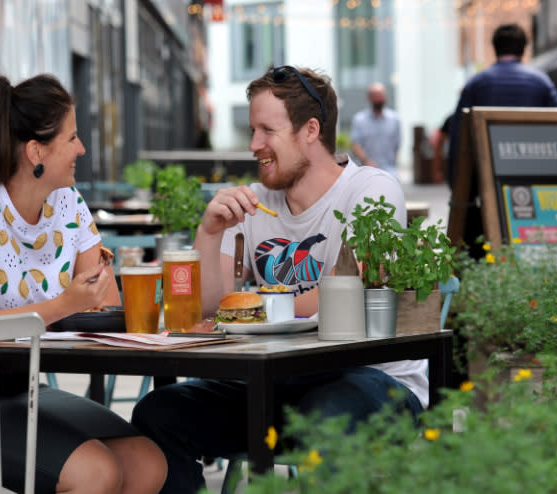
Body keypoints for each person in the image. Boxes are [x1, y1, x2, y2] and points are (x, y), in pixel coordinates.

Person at [130, 66, 425, 493]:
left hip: (373, 382)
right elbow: (210, 307)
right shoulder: (254, 202)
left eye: (267, 130)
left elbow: (342, 300)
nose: (254, 146)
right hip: (277, 383)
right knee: (160, 412)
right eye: (252, 130)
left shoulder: (371, 191)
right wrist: (209, 233)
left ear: (310, 130)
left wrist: (250, 305)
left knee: (327, 416)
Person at [0, 74, 166, 494]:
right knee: (97, 473)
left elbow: (104, 303)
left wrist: (93, 296)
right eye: (73, 137)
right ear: (35, 151)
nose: (81, 149)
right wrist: (64, 303)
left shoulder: (69, 202)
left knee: (146, 463)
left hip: (18, 387)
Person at [446, 23, 557, 186]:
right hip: (534, 173)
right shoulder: (542, 82)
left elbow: (459, 134)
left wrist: (455, 181)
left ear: (495, 48)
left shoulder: (476, 84)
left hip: (488, 176)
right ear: (524, 48)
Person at [350, 82, 401, 179]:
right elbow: (356, 144)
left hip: (390, 171)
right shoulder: (359, 119)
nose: (378, 99)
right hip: (366, 171)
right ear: (368, 98)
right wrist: (367, 161)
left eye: (380, 95)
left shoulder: (395, 119)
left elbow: (397, 145)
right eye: (375, 95)